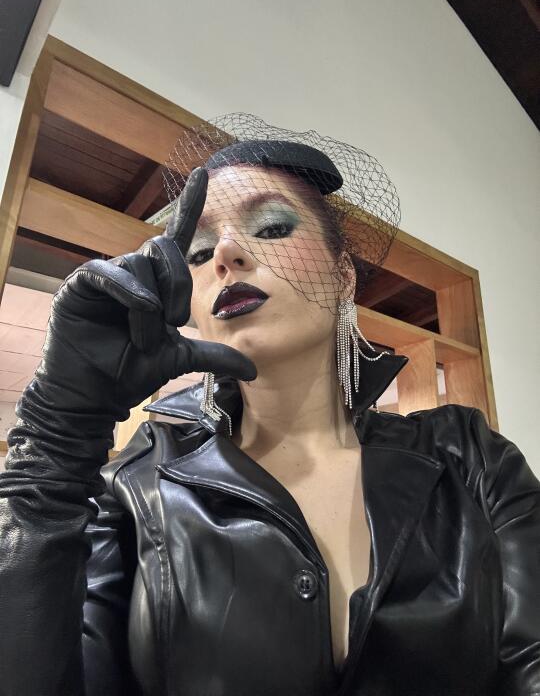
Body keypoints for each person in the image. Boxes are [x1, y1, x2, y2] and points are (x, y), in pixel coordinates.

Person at [0, 116, 538, 696]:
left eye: (273, 226)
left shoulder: (468, 455)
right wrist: (55, 435)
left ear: (342, 276)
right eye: (198, 251)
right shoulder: (136, 484)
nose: (225, 253)